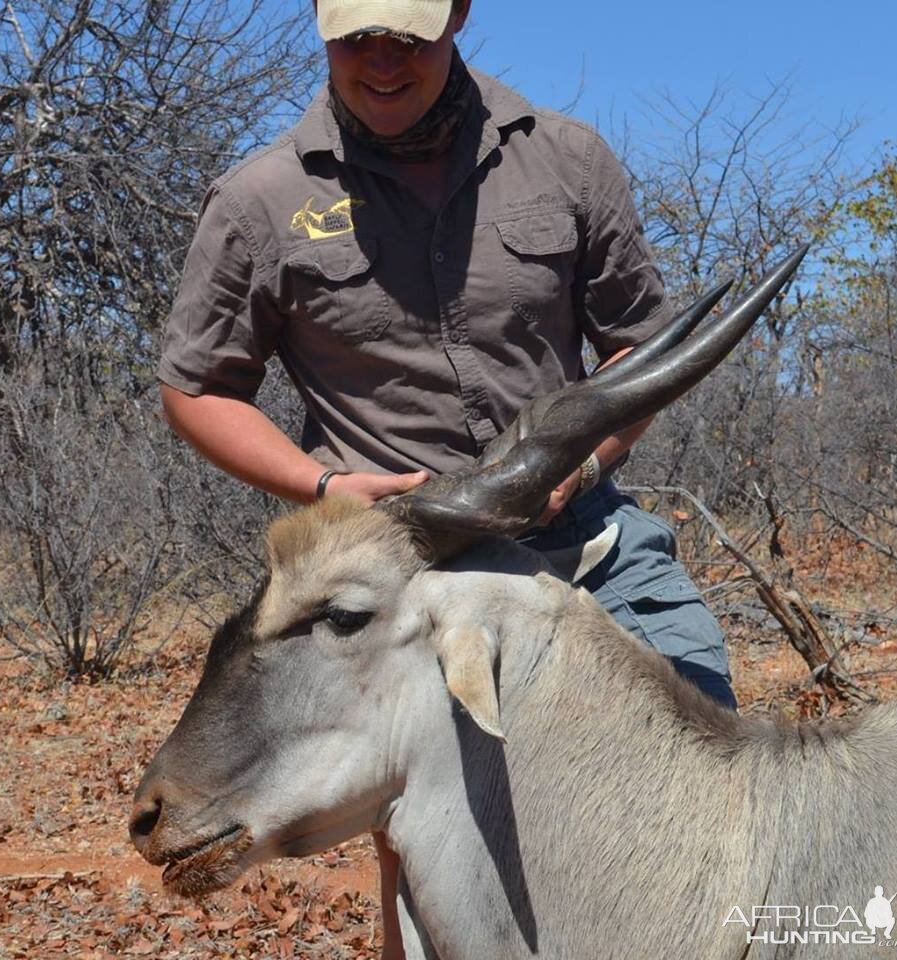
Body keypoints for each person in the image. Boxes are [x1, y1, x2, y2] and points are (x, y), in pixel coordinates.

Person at [158, 1, 737, 955]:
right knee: (444, 893)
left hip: (583, 547)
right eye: (356, 38)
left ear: (459, 14)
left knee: (709, 774)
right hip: (401, 597)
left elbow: (641, 347)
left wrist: (590, 459)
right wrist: (319, 488)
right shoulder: (260, 198)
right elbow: (196, 390)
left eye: (408, 36)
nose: (381, 61)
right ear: (319, 20)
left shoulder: (566, 158)